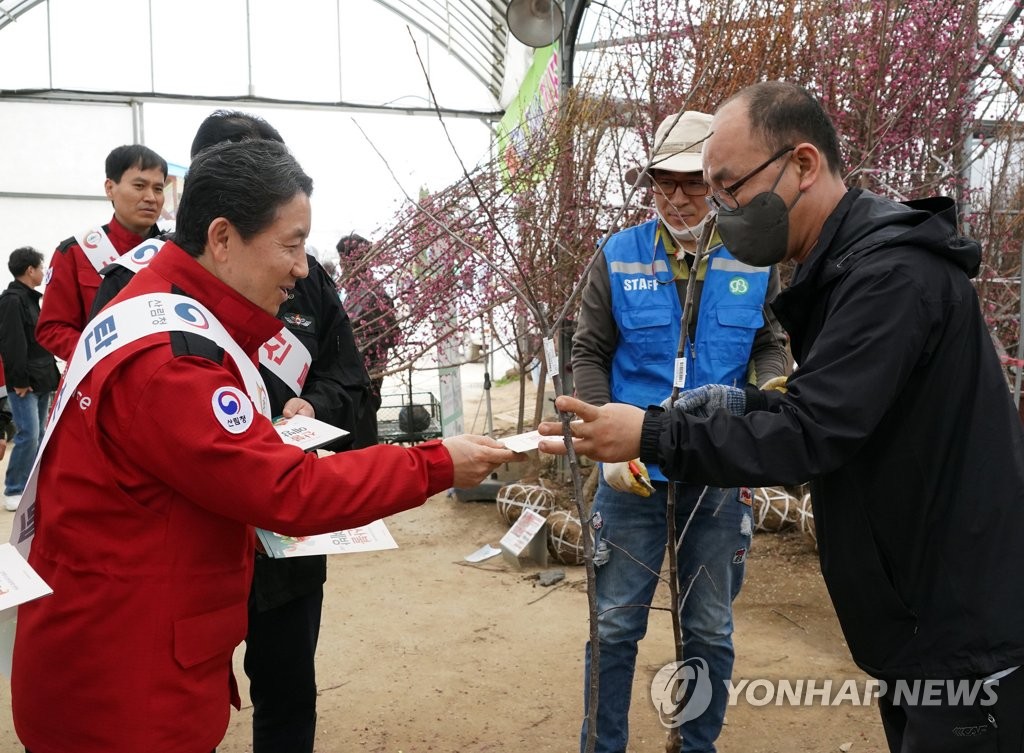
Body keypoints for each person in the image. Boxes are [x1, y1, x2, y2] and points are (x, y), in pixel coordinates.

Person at [539, 81, 1024, 752]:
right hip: (912, 613)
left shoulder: (885, 278)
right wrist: (724, 409)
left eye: (725, 187)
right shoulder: (633, 256)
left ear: (802, 164)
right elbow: (824, 410)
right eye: (680, 184)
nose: (715, 208)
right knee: (619, 621)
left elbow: (811, 427)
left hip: (956, 623)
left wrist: (659, 429)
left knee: (708, 625)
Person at [11, 139, 521, 753]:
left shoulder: (160, 306)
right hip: (124, 690)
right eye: (291, 243)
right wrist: (439, 461)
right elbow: (291, 491)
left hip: (111, 655)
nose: (304, 268)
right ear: (222, 239)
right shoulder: (170, 361)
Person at [89, 109, 375, 753]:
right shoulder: (134, 287)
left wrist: (314, 407)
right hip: (190, 536)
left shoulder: (306, 277)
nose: (294, 263)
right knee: (182, 692)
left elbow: (351, 379)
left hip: (285, 542)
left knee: (286, 692)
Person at [571, 110, 788, 753]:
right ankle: (601, 747)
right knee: (613, 627)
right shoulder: (618, 256)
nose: (675, 197)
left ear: (719, 184)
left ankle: (695, 745)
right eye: (662, 182)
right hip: (631, 471)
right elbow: (588, 351)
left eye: (691, 183)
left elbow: (771, 345)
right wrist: (601, 438)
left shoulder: (755, 256)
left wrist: (769, 399)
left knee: (710, 629)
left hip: (718, 470)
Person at [35, 144, 167, 362]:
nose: (151, 197)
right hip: (101, 381)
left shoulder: (176, 251)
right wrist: (103, 358)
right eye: (139, 186)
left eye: (158, 189)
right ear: (109, 188)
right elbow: (52, 329)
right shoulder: (76, 252)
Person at [0, 247, 60, 512]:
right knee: (29, 434)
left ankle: (34, 486)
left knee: (41, 435)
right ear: (30, 270)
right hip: (26, 382)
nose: (43, 271)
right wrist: (20, 380)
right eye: (41, 266)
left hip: (42, 377)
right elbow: (12, 343)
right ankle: (13, 488)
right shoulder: (12, 300)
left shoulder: (31, 299)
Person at [335, 233, 399, 448]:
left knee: (364, 438)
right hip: (353, 377)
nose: (343, 265)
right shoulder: (351, 291)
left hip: (365, 378)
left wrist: (361, 341)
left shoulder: (372, 293)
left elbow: (393, 335)